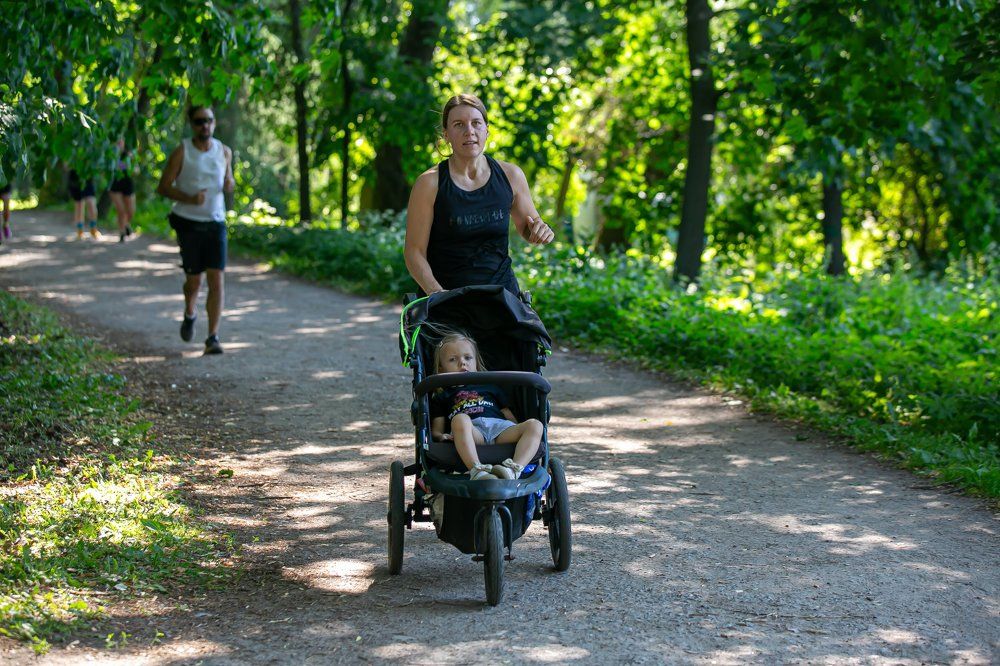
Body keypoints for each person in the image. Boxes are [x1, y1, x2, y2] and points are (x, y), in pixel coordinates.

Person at [404, 93, 555, 297]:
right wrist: (438, 294)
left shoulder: (511, 176)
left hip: (501, 297)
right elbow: (414, 253)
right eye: (459, 124)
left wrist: (540, 230)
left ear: (487, 130)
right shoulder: (429, 183)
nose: (469, 131)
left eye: (476, 123)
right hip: (448, 298)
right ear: (446, 134)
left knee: (536, 330)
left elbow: (529, 228)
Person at [156, 105, 235, 355]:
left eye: (209, 121)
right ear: (192, 124)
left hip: (216, 222)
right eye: (200, 121)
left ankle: (212, 337)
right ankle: (190, 312)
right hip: (188, 222)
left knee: (217, 280)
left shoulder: (224, 151)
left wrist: (230, 184)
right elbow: (163, 187)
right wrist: (189, 199)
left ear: (214, 122)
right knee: (194, 282)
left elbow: (228, 183)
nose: (205, 126)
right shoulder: (183, 151)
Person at [430, 332, 543, 481]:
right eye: (452, 359)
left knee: (535, 425)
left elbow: (507, 413)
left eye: (468, 358)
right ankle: (477, 470)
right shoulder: (442, 395)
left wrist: (518, 429)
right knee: (460, 418)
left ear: (476, 363)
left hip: (500, 429)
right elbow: (437, 431)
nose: (462, 363)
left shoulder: (490, 386)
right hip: (472, 432)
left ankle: (514, 469)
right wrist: (440, 436)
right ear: (442, 368)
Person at [109, 138, 136, 242]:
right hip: (115, 184)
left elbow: (133, 168)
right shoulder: (110, 155)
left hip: (127, 183)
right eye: (117, 141)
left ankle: (126, 224)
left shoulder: (129, 154)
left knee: (130, 211)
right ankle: (122, 232)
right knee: (121, 210)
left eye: (121, 141)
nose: (119, 144)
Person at [68, 169, 99, 240]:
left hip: (88, 179)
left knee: (91, 203)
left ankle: (93, 228)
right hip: (75, 180)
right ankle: (80, 230)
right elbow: (66, 166)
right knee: (79, 205)